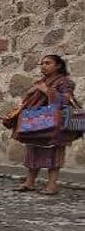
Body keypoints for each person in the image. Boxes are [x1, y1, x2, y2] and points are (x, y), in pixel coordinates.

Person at [12, 54, 78, 195]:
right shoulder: (40, 82)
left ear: (58, 66)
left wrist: (46, 90)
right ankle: (29, 182)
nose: (44, 66)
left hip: (54, 122)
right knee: (33, 149)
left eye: (48, 63)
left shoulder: (65, 82)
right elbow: (30, 100)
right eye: (42, 63)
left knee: (54, 151)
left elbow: (66, 101)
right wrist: (31, 93)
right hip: (36, 120)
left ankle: (52, 185)